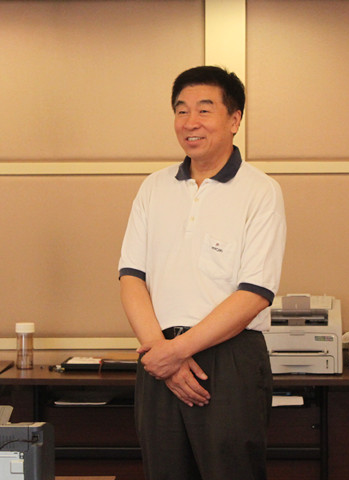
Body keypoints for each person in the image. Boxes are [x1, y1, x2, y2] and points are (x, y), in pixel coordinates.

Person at [118, 66, 286, 480]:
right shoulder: (153, 188)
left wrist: (177, 353)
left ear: (234, 119)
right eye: (181, 110)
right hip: (157, 355)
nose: (190, 122)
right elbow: (131, 277)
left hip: (228, 358)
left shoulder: (261, 191)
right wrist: (161, 353)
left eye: (204, 110)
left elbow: (254, 293)